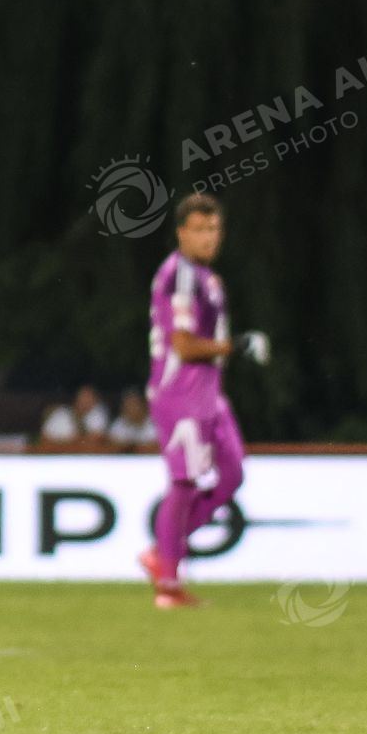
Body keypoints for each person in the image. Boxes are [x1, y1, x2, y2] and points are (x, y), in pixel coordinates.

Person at [143, 193, 270, 608]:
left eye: (213, 229)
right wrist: (236, 346)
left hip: (208, 394)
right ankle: (168, 583)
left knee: (232, 473)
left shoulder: (206, 277)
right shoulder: (179, 275)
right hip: (179, 392)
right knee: (184, 482)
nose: (208, 237)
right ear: (181, 233)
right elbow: (183, 345)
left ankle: (163, 552)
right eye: (198, 229)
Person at [40, 383, 110, 445]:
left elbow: (98, 438)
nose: (86, 401)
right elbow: (45, 439)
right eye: (83, 396)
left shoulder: (97, 414)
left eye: (90, 397)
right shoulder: (61, 414)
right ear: (76, 398)